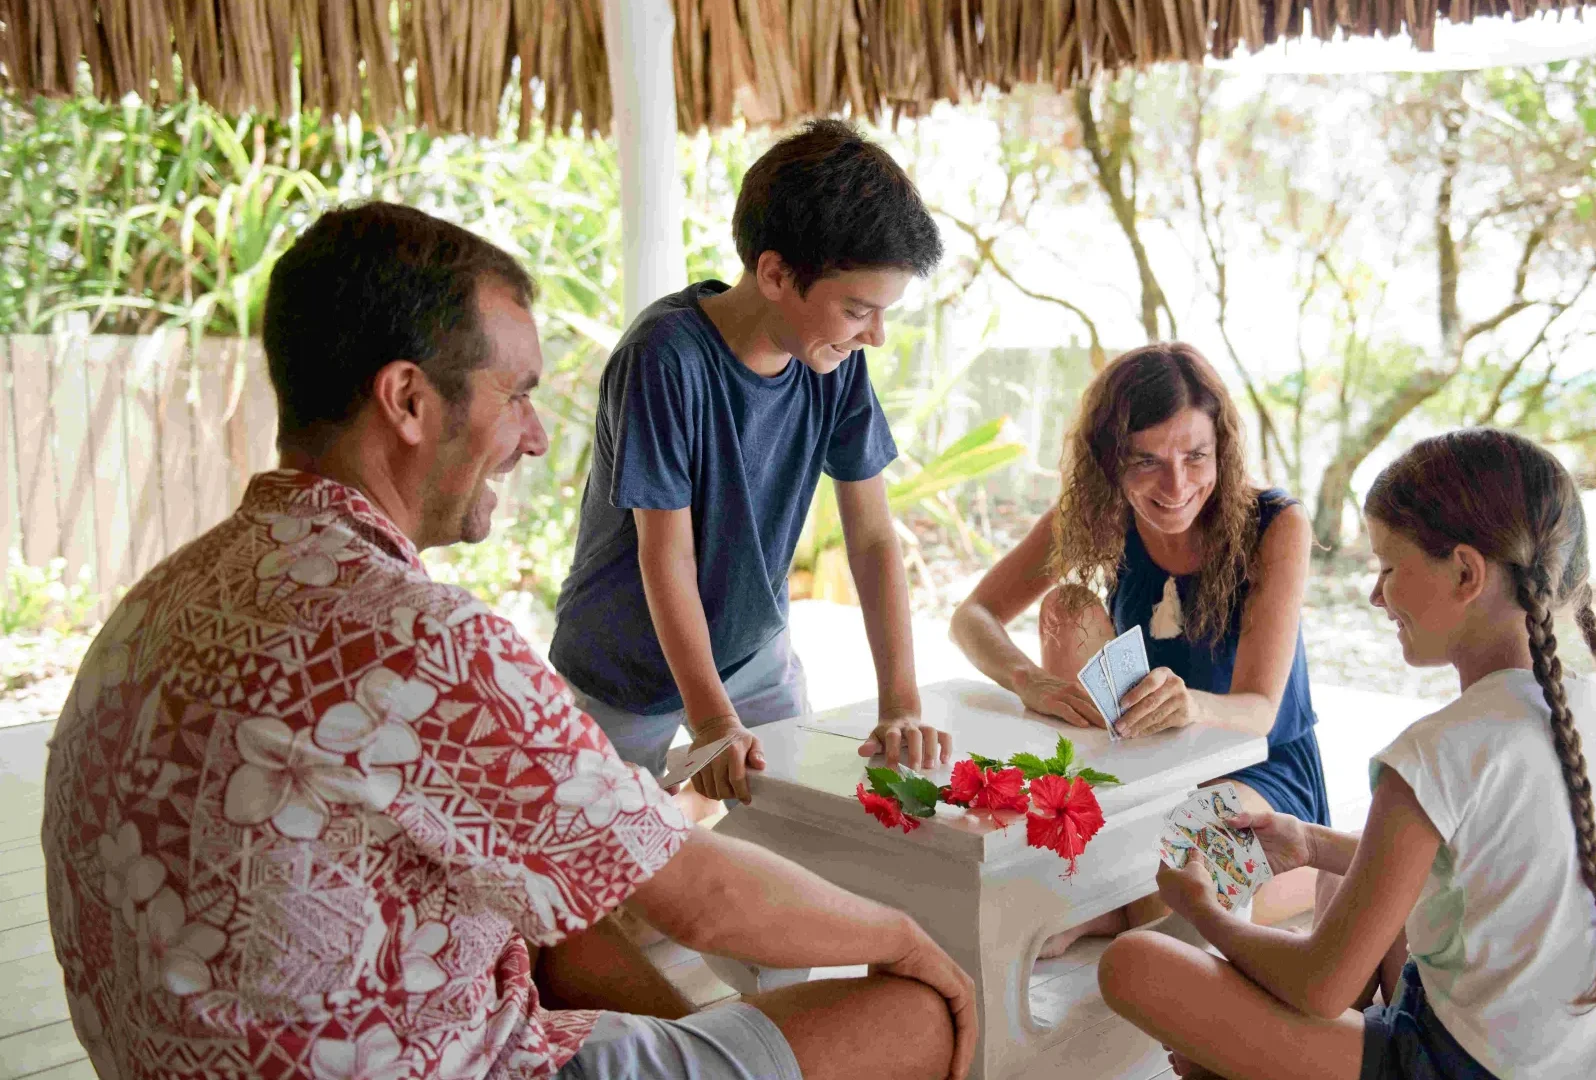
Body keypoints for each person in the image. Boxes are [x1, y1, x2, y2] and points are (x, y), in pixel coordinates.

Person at [41, 202, 975, 1080]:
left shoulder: (158, 602)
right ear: (407, 400)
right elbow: (698, 895)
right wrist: (903, 938)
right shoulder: (420, 640)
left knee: (547, 908)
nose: (534, 438)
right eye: (517, 394)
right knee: (914, 1014)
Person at [1098, 428, 1596, 1080]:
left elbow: (1318, 988)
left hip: (1451, 1066)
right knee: (1350, 880)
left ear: (1466, 573)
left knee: (1135, 964)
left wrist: (1203, 912)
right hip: (1570, 1063)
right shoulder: (1587, 707)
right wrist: (1309, 843)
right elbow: (1465, 862)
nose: (1375, 595)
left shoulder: (1437, 753)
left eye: (1388, 569)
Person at [549, 119, 948, 806]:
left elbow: (875, 536)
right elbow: (664, 556)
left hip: (752, 653)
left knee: (804, 825)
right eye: (858, 310)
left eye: (882, 314)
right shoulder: (663, 358)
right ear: (774, 273)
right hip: (624, 666)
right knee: (603, 871)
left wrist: (901, 701)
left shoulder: (834, 360)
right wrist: (710, 723)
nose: (875, 337)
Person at [948, 342, 1325, 956]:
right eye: (1146, 461)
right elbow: (973, 616)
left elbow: (1258, 708)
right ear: (1109, 462)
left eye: (1195, 457)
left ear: (1221, 451)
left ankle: (1112, 910)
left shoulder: (1276, 523)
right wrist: (1027, 680)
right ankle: (1124, 893)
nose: (1176, 486)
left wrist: (1194, 705)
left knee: (1191, 857)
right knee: (1065, 606)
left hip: (1261, 766)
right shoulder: (1096, 510)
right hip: (1145, 762)